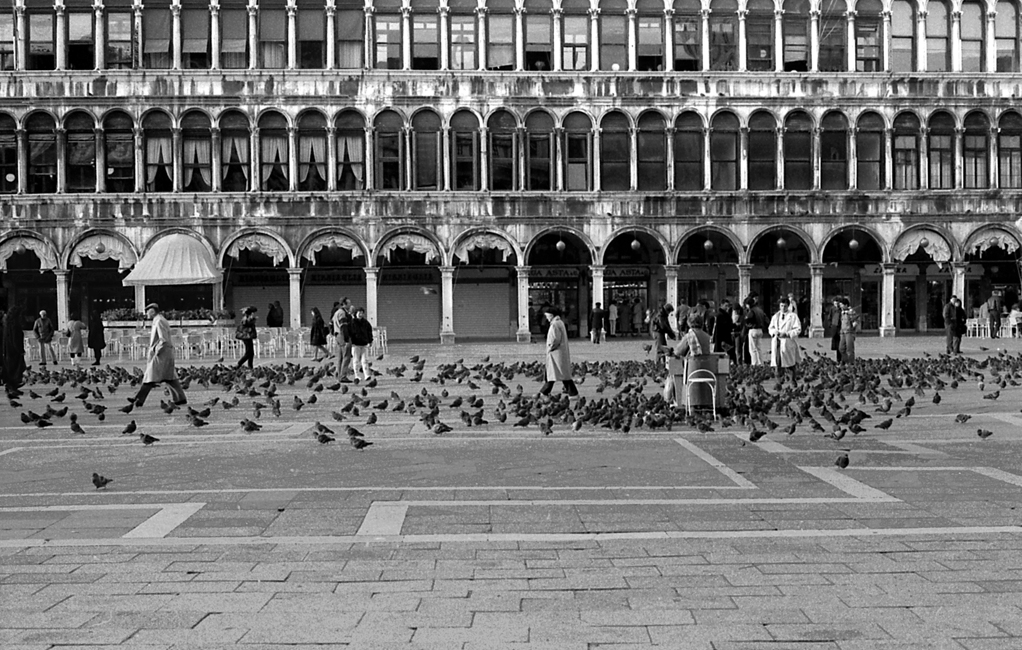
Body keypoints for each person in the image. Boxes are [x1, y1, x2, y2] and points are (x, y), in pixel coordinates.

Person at [129, 303, 187, 407]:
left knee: (150, 377)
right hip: (164, 353)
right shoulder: (159, 320)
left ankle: (138, 399)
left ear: (152, 311)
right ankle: (180, 398)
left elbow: (163, 339)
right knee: (169, 377)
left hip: (161, 354)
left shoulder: (159, 321)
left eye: (147, 311)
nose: (146, 313)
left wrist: (156, 350)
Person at [538, 306, 579, 397]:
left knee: (556, 374)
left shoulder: (555, 325)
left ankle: (544, 392)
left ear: (551, 315)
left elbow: (555, 339)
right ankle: (572, 393)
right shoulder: (560, 323)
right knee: (560, 374)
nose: (546, 318)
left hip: (556, 353)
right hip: (560, 353)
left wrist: (550, 348)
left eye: (547, 316)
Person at [769, 297, 802, 381]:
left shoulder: (793, 316)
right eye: (781, 306)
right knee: (778, 361)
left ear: (788, 306)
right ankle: (779, 379)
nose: (783, 308)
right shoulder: (775, 316)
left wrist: (787, 334)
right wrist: (774, 332)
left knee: (790, 362)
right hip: (777, 341)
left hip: (788, 341)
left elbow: (798, 329)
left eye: (785, 306)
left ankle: (792, 379)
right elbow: (770, 328)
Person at [1, 305, 26, 396]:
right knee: (15, 370)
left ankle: (12, 387)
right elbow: (15, 339)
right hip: (14, 352)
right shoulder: (14, 325)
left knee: (11, 369)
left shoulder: (7, 324)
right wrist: (20, 350)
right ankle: (12, 387)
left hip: (8, 350)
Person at [348, 307, 374, 381]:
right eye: (359, 313)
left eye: (362, 313)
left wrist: (370, 340)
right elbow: (350, 333)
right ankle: (357, 375)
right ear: (356, 314)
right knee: (356, 360)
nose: (360, 314)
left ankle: (366, 375)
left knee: (365, 360)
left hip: (364, 344)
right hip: (355, 344)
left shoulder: (366, 323)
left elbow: (369, 332)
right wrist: (351, 342)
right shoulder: (352, 323)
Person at [332, 297, 353, 380]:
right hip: (342, 336)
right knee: (346, 356)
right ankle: (343, 375)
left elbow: (331, 324)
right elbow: (343, 326)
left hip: (338, 335)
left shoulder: (336, 312)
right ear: (344, 304)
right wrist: (346, 339)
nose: (350, 304)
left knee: (340, 357)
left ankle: (338, 374)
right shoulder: (342, 313)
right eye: (349, 303)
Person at [745, 296, 768, 366]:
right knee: (759, 348)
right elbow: (766, 319)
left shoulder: (751, 311)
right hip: (760, 330)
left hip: (753, 329)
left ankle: (754, 364)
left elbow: (747, 319)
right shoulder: (760, 310)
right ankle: (761, 363)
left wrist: (747, 325)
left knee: (752, 349)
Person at [837, 298, 859, 363]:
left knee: (850, 349)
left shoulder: (851, 312)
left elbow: (856, 321)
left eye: (841, 305)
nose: (840, 306)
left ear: (846, 305)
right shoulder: (841, 312)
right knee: (841, 348)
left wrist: (853, 325)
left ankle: (851, 363)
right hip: (842, 332)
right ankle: (846, 361)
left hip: (849, 332)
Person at [828, 297, 843, 362]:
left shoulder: (841, 309)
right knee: (836, 344)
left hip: (840, 327)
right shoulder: (832, 309)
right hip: (834, 327)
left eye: (837, 302)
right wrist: (830, 325)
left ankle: (841, 358)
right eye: (835, 302)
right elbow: (830, 317)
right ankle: (838, 359)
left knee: (841, 343)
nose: (836, 303)